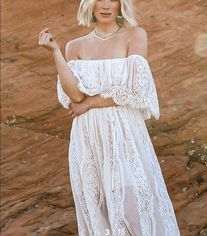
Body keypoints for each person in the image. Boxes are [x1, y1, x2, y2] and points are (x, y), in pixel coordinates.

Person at [38, 0, 181, 235]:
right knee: (100, 210)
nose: (105, 5)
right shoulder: (75, 46)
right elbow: (74, 95)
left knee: (133, 207)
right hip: (88, 136)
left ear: (120, 4)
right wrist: (55, 52)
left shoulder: (135, 35)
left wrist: (91, 103)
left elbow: (136, 90)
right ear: (90, 5)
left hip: (124, 133)